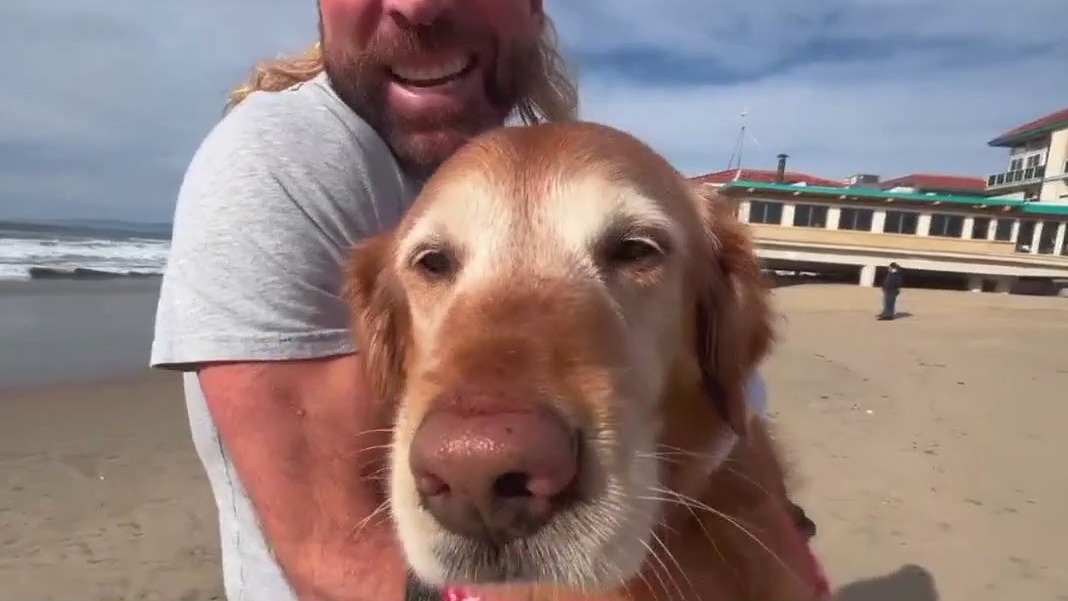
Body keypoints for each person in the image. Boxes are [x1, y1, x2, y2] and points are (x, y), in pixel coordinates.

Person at [150, 2, 799, 599]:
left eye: (632, 250)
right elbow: (332, 554)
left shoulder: (540, 144)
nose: (417, 4)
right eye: (434, 263)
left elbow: (732, 434)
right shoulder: (281, 158)